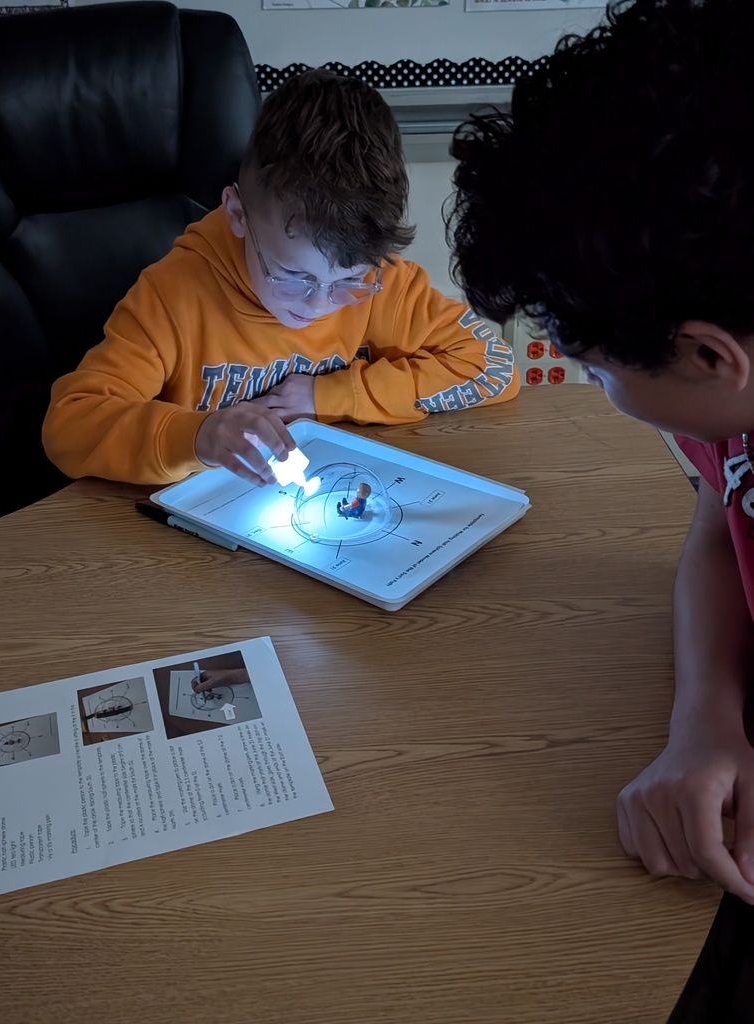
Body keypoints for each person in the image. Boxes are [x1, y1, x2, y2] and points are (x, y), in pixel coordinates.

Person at [447, 0, 754, 904]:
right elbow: (716, 517)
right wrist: (704, 713)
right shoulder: (727, 414)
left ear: (707, 354)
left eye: (590, 368)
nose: (595, 389)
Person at [41, 69, 519, 490]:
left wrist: (328, 395)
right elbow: (69, 424)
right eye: (293, 276)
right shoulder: (174, 296)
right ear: (236, 215)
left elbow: (495, 368)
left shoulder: (384, 284)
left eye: (348, 281)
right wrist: (198, 435)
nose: (317, 306)